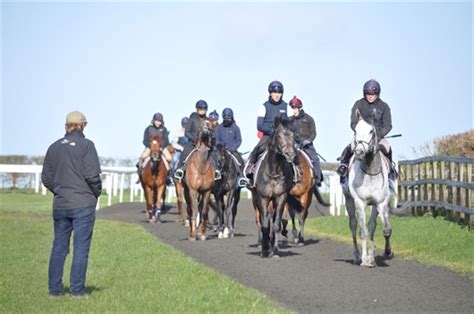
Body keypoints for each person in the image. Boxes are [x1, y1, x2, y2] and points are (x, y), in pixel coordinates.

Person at [41, 111, 102, 297]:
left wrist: (60, 191)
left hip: (60, 205)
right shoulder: (87, 145)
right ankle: (77, 291)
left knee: (59, 247)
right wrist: (96, 192)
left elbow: (46, 178)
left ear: (66, 125)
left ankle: (55, 290)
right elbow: (92, 176)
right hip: (83, 204)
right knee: (80, 249)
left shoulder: (53, 147)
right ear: (83, 125)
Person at [336, 79, 396, 180]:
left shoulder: (384, 106)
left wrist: (378, 134)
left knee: (388, 147)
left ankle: (391, 171)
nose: (370, 96)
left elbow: (388, 125)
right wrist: (360, 132)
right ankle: (344, 166)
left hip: (378, 137)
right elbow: (353, 122)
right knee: (349, 147)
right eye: (368, 94)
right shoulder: (358, 104)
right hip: (361, 136)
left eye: (373, 94)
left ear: (378, 94)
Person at [244, 80, 291, 184]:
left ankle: (295, 172)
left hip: (283, 136)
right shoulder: (264, 106)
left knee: (292, 151)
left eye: (279, 92)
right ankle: (250, 168)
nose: (277, 95)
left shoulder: (287, 107)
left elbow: (290, 123)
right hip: (268, 136)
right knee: (258, 149)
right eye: (275, 92)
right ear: (270, 93)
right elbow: (259, 125)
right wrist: (271, 131)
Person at [174, 100, 221, 180]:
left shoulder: (208, 120)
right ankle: (180, 169)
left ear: (206, 110)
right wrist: (194, 139)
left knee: (213, 152)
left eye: (204, 109)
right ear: (197, 109)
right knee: (185, 150)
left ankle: (216, 170)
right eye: (200, 109)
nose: (202, 111)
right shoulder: (192, 119)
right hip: (193, 142)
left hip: (205, 144)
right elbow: (187, 132)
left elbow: (212, 132)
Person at [288, 96, 323, 186]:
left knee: (315, 159)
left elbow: (313, 133)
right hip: (294, 145)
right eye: (292, 108)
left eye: (295, 108)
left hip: (307, 145)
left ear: (300, 108)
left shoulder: (309, 119)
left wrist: (308, 141)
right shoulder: (290, 120)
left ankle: (318, 178)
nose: (294, 110)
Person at [215, 107, 246, 186]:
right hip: (221, 151)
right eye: (225, 117)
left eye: (228, 117)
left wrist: (233, 148)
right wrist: (221, 146)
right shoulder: (219, 128)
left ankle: (242, 177)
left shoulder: (236, 128)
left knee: (240, 160)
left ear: (231, 116)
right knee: (215, 159)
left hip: (232, 151)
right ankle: (215, 174)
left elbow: (239, 140)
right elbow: (216, 139)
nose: (227, 119)